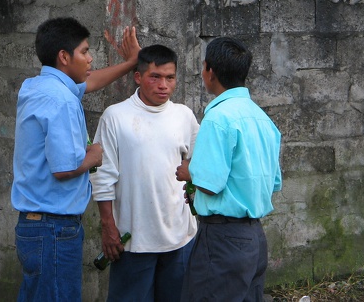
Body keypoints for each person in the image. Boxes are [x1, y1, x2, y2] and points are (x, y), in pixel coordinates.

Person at [11, 17, 141, 302]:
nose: (90, 58)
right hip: (53, 230)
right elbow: (65, 167)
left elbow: (91, 81)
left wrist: (132, 63)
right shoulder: (61, 100)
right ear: (64, 57)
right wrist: (94, 155)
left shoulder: (36, 87)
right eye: (84, 52)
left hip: (35, 227)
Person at [176, 37, 282, 302]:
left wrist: (190, 172)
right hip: (254, 237)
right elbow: (274, 182)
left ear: (210, 71)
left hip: (223, 238)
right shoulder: (262, 118)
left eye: (203, 67)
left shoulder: (218, 117)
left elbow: (210, 183)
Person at [91, 44, 199, 302]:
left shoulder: (183, 116)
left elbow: (201, 161)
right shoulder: (115, 117)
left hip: (180, 238)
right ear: (138, 77)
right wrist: (108, 226)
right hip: (132, 240)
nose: (164, 85)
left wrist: (193, 185)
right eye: (155, 77)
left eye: (170, 77)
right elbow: (103, 177)